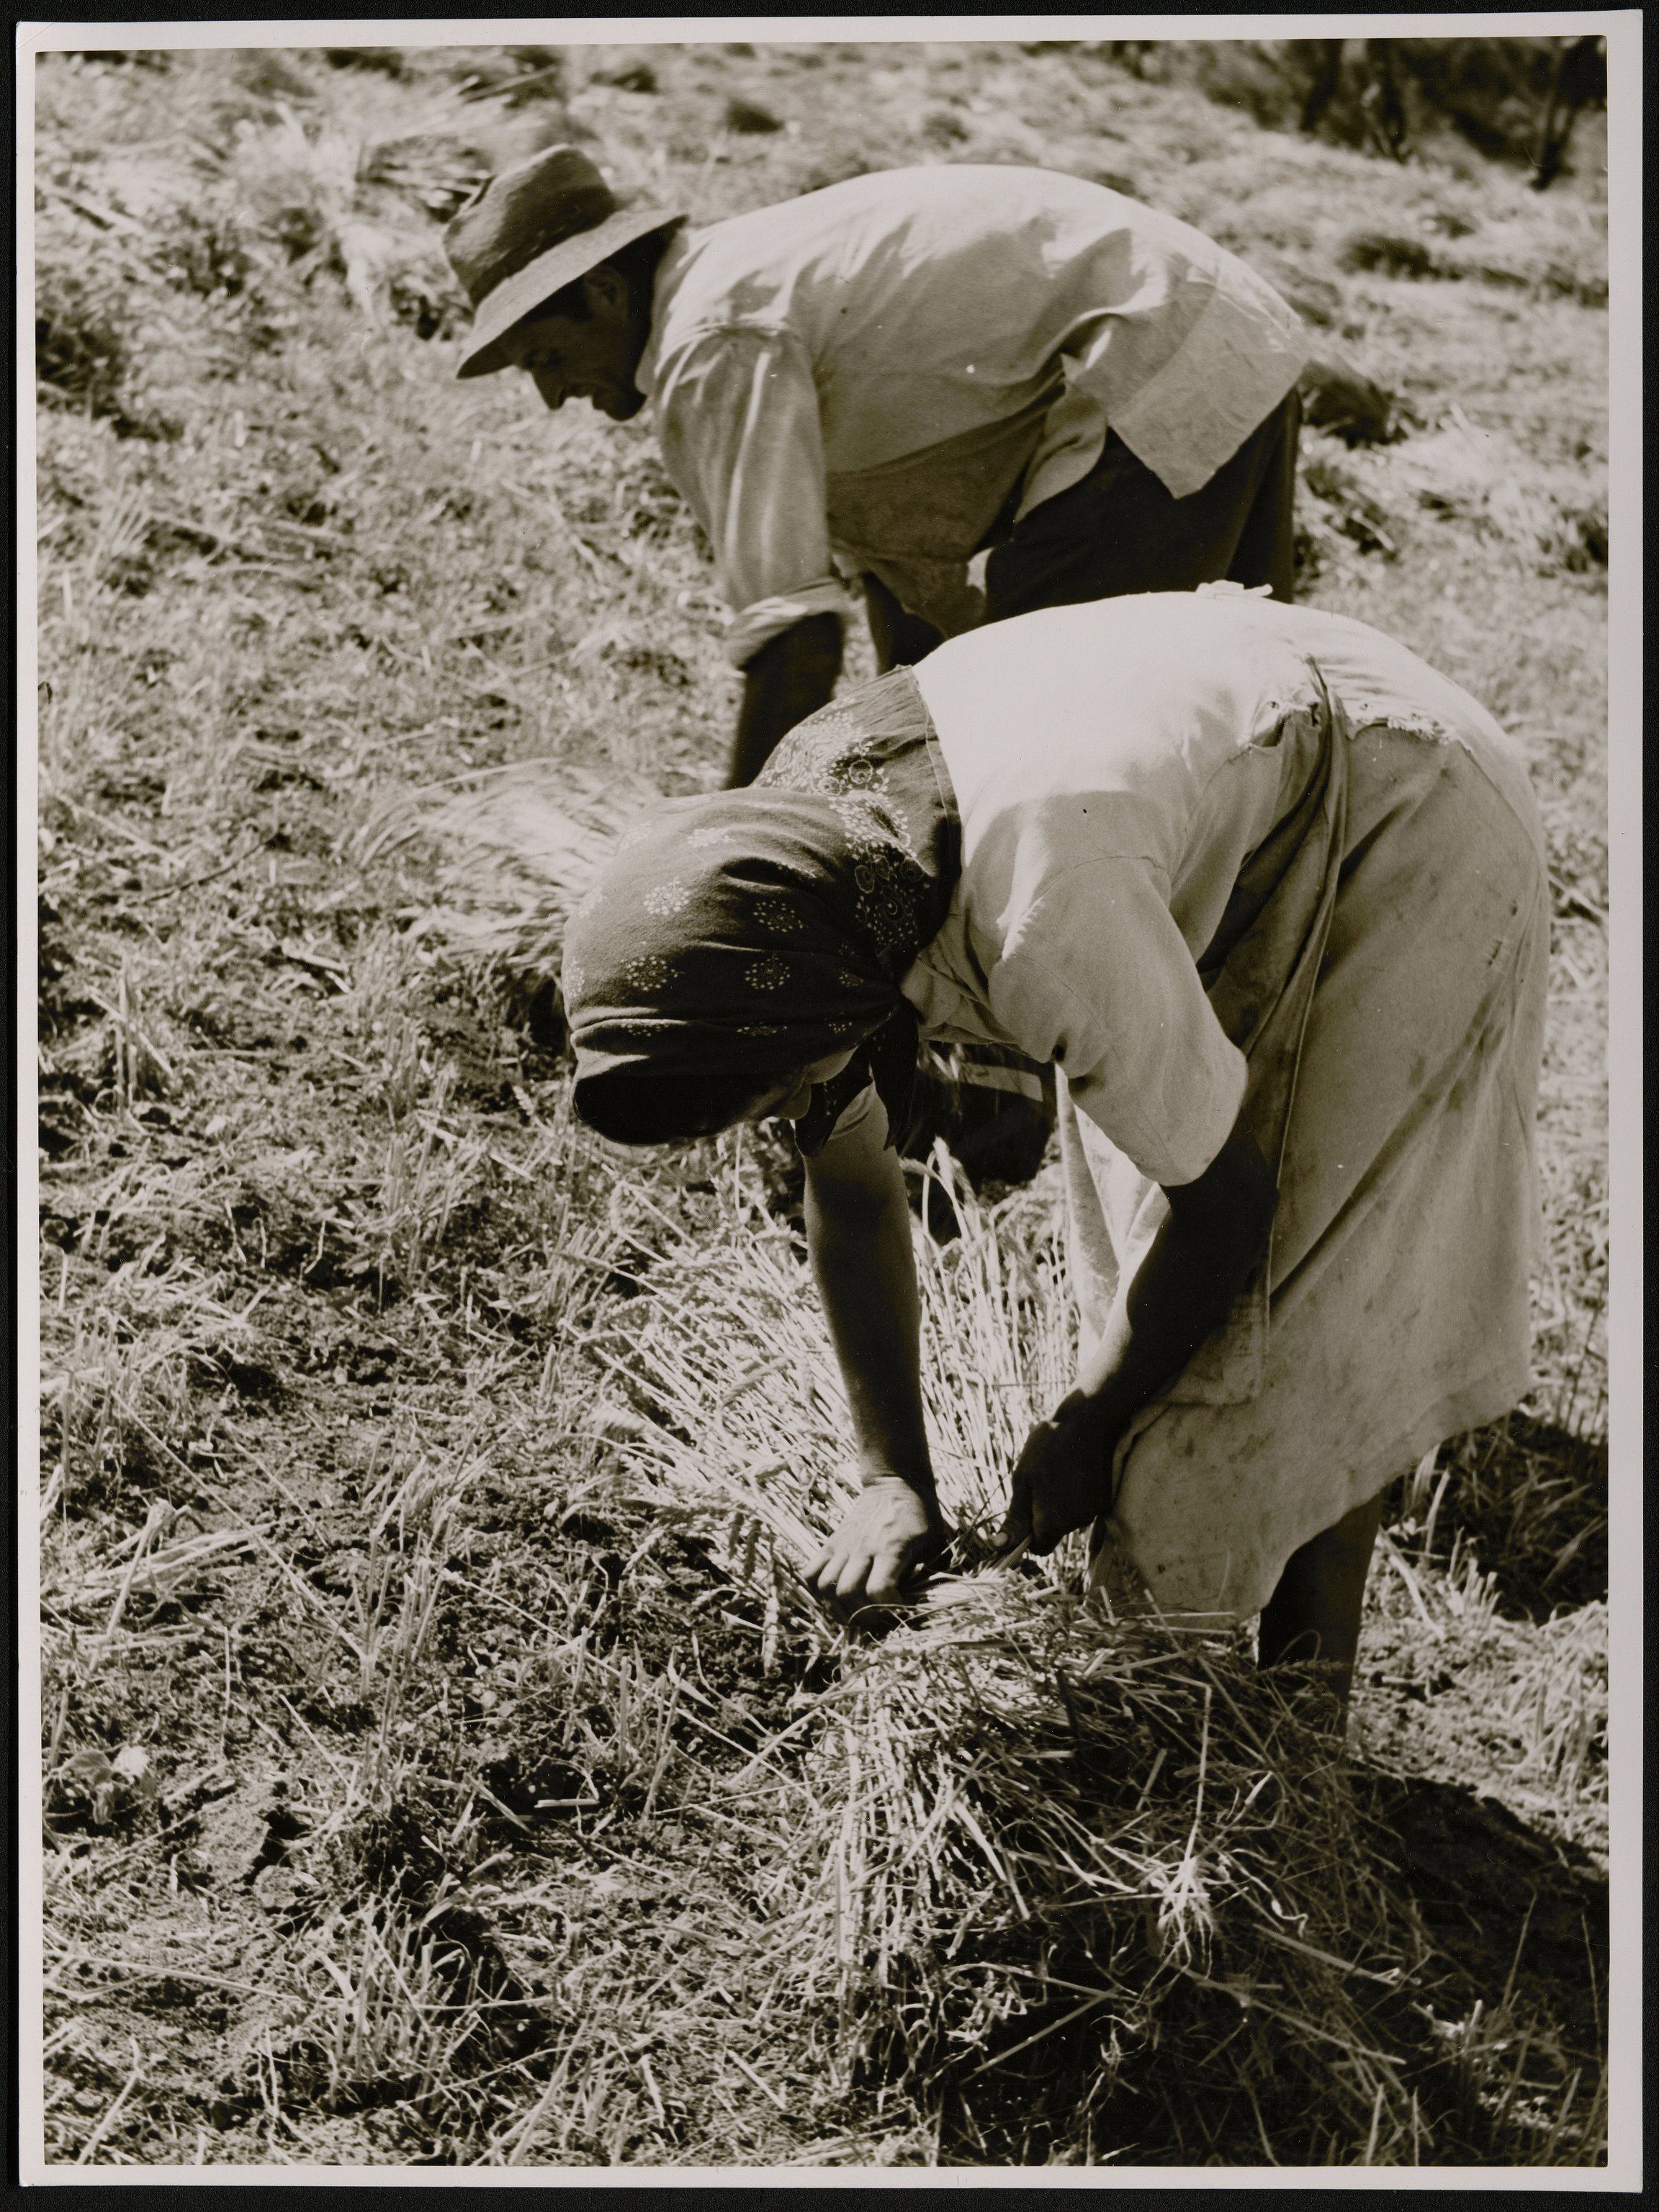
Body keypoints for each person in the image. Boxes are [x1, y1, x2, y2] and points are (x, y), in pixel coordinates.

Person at [559, 586, 1547, 1719]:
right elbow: (853, 1182)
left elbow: (1227, 1203)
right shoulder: (812, 885)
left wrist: (1089, 1422)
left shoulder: (1041, 916)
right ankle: (1269, 1712)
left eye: (786, 1091)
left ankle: (1290, 1751)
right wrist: (890, 1478)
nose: (795, 1114)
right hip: (1226, 780)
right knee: (1178, 1311)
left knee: (1282, 1326)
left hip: (1402, 803)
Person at [444, 146, 1308, 788]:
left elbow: (795, 640)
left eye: (546, 358)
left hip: (1154, 356)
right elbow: (904, 602)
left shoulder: (709, 340)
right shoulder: (742, 285)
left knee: (1050, 754)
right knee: (1222, 732)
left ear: (603, 293)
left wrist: (723, 859)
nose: (553, 396)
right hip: (1225, 333)